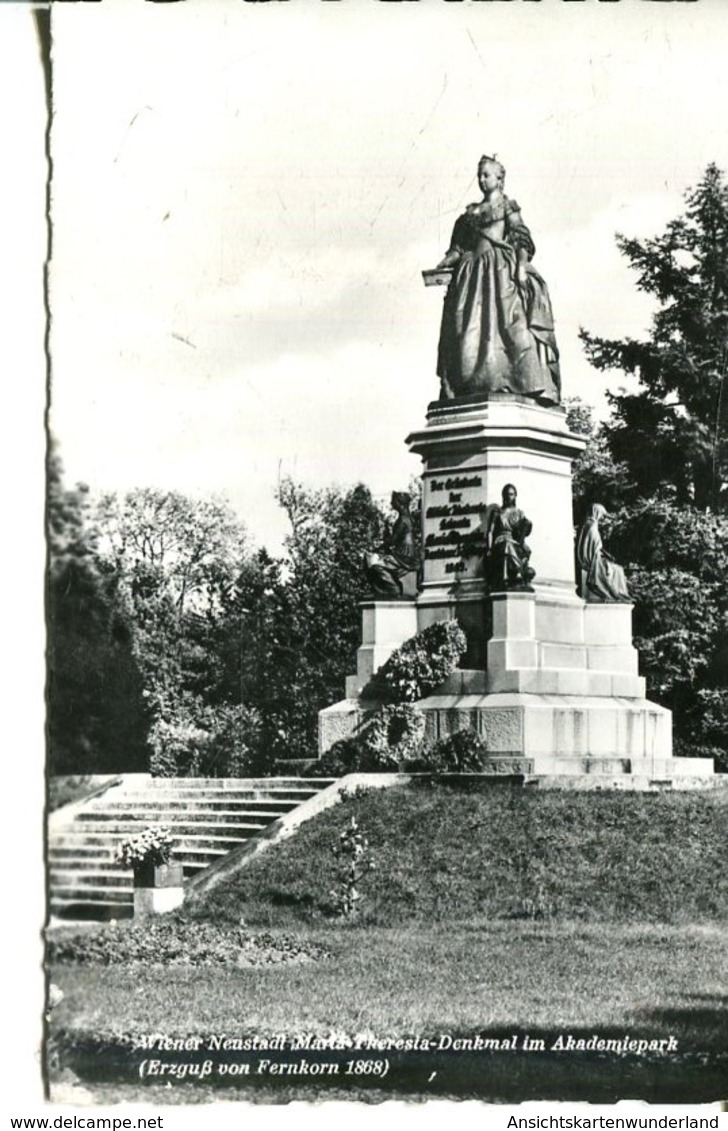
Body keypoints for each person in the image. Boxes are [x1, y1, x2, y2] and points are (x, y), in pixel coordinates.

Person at [434, 155, 560, 404]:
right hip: (471, 277)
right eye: (479, 175)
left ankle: (521, 382)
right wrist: (442, 264)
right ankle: (469, 385)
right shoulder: (469, 214)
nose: (482, 180)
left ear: (500, 179)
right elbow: (457, 249)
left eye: (486, 175)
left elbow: (521, 238)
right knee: (464, 331)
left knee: (512, 329)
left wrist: (521, 267)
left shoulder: (507, 207)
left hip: (500, 273)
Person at [364, 492, 420, 599]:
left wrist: (378, 548)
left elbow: (393, 540)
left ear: (400, 504)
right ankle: (383, 589)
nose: (391, 503)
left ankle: (393, 589)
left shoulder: (403, 520)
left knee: (376, 565)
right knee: (376, 560)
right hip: (404, 553)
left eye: (393, 501)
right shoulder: (406, 518)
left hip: (403, 555)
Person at [575, 504, 631, 603]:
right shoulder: (591, 526)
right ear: (596, 513)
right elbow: (595, 547)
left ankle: (618, 595)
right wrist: (604, 555)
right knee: (617, 570)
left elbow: (595, 546)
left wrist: (606, 554)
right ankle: (617, 594)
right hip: (593, 559)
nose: (602, 517)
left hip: (594, 556)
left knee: (616, 569)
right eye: (601, 514)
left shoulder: (589, 524)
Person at [484, 484, 535, 592]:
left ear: (515, 496)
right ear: (503, 496)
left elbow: (524, 531)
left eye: (511, 494)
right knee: (507, 544)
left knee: (511, 545)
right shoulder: (497, 513)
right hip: (500, 539)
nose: (509, 497)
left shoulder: (519, 513)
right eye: (506, 494)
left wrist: (527, 526)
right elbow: (490, 532)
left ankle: (516, 572)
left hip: (514, 540)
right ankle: (518, 571)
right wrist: (489, 548)